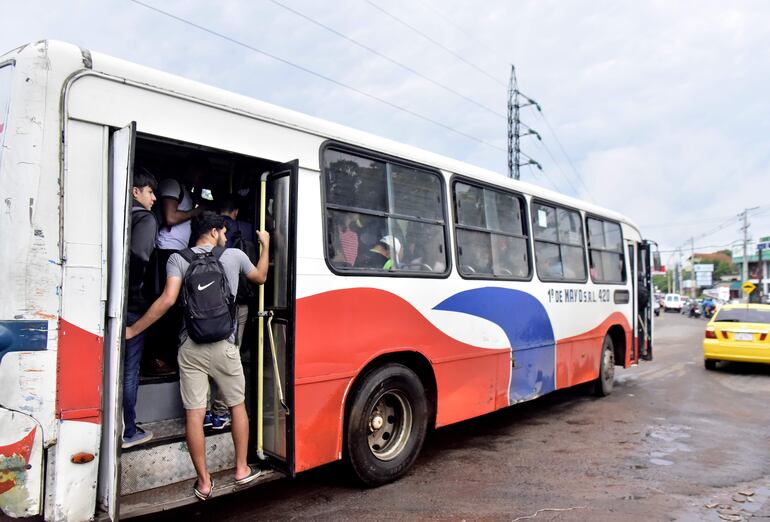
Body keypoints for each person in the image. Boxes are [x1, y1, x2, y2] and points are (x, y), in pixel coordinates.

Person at [126, 212, 270, 499]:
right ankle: (241, 469)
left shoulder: (177, 259)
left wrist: (133, 330)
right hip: (225, 346)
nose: (226, 238)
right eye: (224, 233)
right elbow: (261, 277)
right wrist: (266, 246)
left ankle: (204, 482)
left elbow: (167, 300)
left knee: (194, 414)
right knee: (237, 406)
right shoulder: (235, 255)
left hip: (190, 346)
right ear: (215, 231)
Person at [146, 161, 207, 376]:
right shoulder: (172, 185)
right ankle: (155, 360)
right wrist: (197, 211)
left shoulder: (184, 191)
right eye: (200, 173)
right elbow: (171, 217)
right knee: (165, 306)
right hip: (166, 252)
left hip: (174, 252)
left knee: (173, 310)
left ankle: (163, 359)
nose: (201, 178)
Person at [123, 168, 158, 448]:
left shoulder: (122, 215)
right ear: (136, 191)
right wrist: (135, 296)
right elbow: (139, 257)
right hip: (132, 307)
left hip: (117, 304)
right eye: (150, 192)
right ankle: (129, 430)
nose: (154, 198)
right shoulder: (145, 220)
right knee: (130, 369)